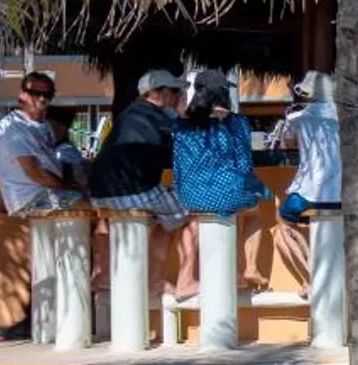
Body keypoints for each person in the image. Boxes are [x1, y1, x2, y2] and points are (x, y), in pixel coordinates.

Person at [89, 69, 191, 295]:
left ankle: (103, 275)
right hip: (135, 190)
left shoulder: (129, 114)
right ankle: (156, 279)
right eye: (174, 91)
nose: (178, 97)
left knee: (108, 219)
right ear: (157, 93)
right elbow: (186, 150)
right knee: (185, 208)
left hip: (99, 192)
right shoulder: (164, 117)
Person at [172, 68, 266, 298]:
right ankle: (249, 267)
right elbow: (244, 164)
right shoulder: (238, 122)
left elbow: (178, 163)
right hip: (228, 190)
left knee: (192, 219)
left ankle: (186, 277)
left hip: (190, 192)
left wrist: (181, 189)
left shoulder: (182, 124)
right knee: (252, 210)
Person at [271, 70, 342, 289]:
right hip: (343, 194)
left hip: (309, 194)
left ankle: (311, 278)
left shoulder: (297, 117)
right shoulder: (346, 116)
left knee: (283, 224)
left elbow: (286, 144)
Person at [0, 71, 83, 219]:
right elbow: (33, 171)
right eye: (35, 93)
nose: (42, 98)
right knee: (89, 205)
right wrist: (66, 186)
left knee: (97, 202)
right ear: (22, 95)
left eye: (48, 94)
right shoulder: (14, 126)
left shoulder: (43, 127)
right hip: (30, 201)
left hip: (49, 194)